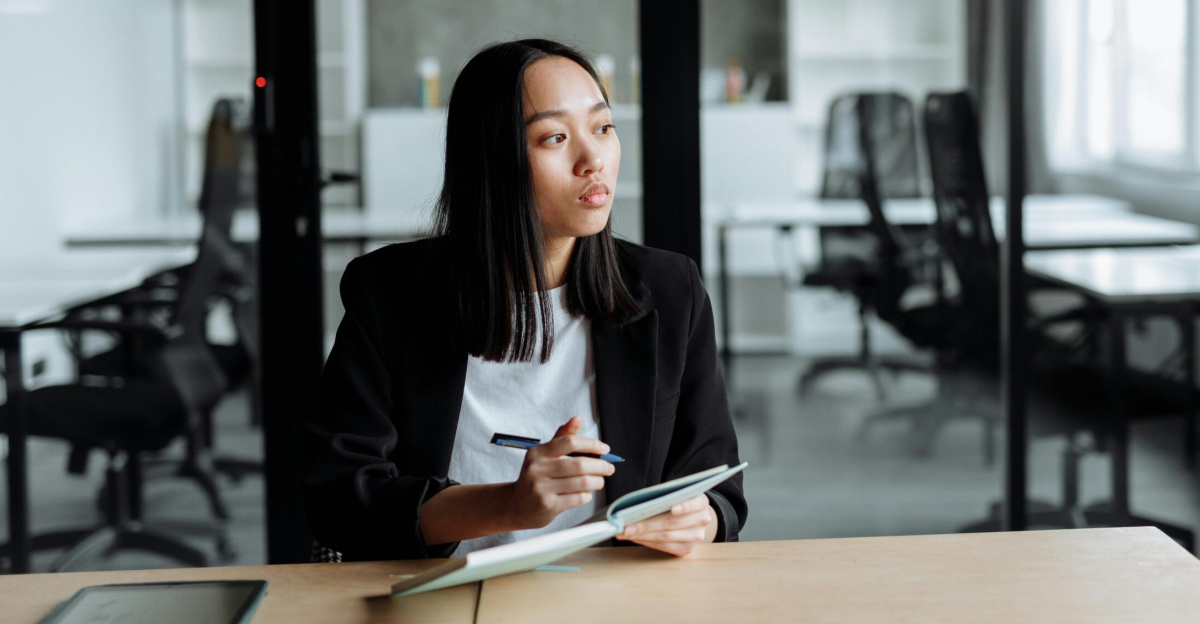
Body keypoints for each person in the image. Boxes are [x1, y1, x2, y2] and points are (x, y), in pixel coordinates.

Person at [305, 38, 746, 561]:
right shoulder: (390, 293)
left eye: (603, 128)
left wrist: (704, 516)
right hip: (440, 599)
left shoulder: (670, 290)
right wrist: (508, 505)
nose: (592, 160)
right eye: (555, 137)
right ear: (491, 160)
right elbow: (339, 501)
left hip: (620, 596)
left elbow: (719, 485)